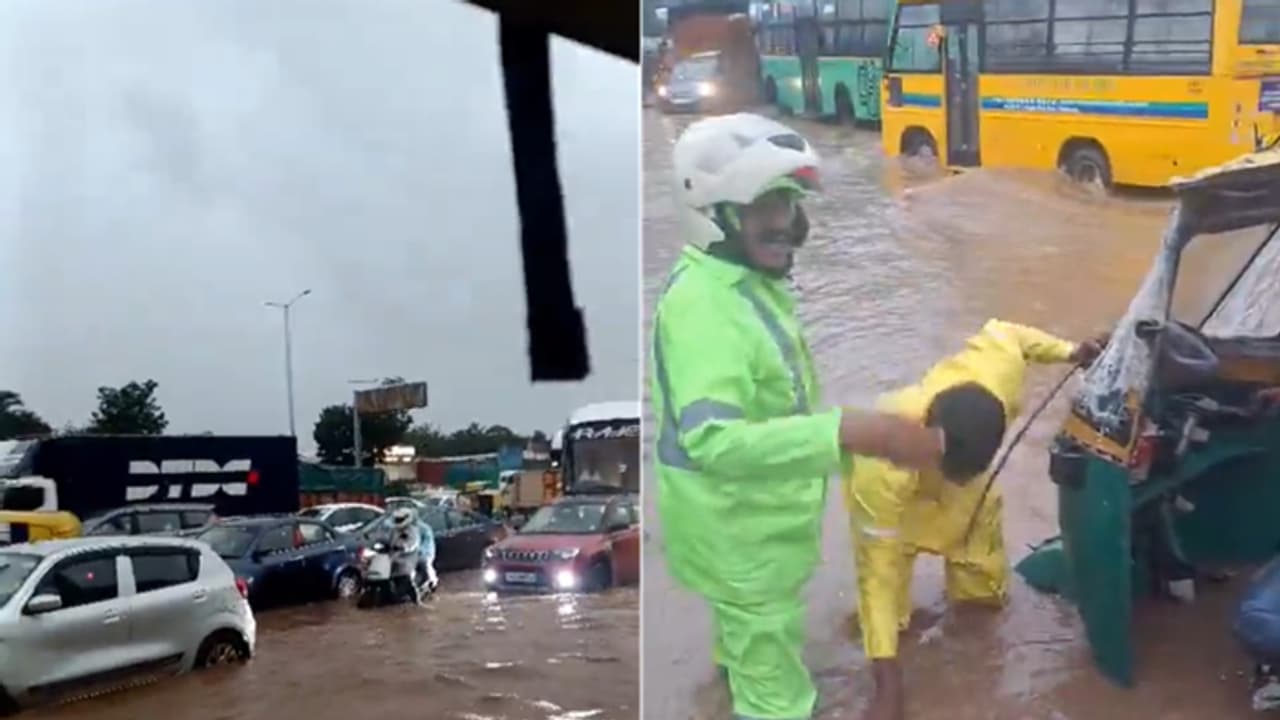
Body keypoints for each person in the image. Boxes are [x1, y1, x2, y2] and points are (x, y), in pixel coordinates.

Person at [651, 113, 946, 720]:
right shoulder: (705, 310)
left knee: (747, 647)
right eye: (765, 206)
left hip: (743, 536)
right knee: (778, 702)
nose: (785, 223)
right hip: (744, 540)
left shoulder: (744, 286)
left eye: (789, 203)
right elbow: (715, 442)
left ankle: (737, 683)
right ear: (715, 212)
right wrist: (855, 431)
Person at [843, 319, 1105, 720]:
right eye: (956, 470)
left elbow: (1013, 335)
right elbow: (875, 570)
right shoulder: (880, 460)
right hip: (902, 502)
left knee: (983, 599)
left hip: (972, 498)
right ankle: (882, 655)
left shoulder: (997, 373)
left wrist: (1071, 351)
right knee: (888, 613)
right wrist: (887, 682)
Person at [388, 508, 424, 606]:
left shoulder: (412, 530)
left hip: (407, 558)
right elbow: (388, 540)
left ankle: (417, 601)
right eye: (397, 519)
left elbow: (413, 543)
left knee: (406, 578)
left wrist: (404, 547)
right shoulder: (394, 530)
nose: (398, 522)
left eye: (400, 520)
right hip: (394, 557)